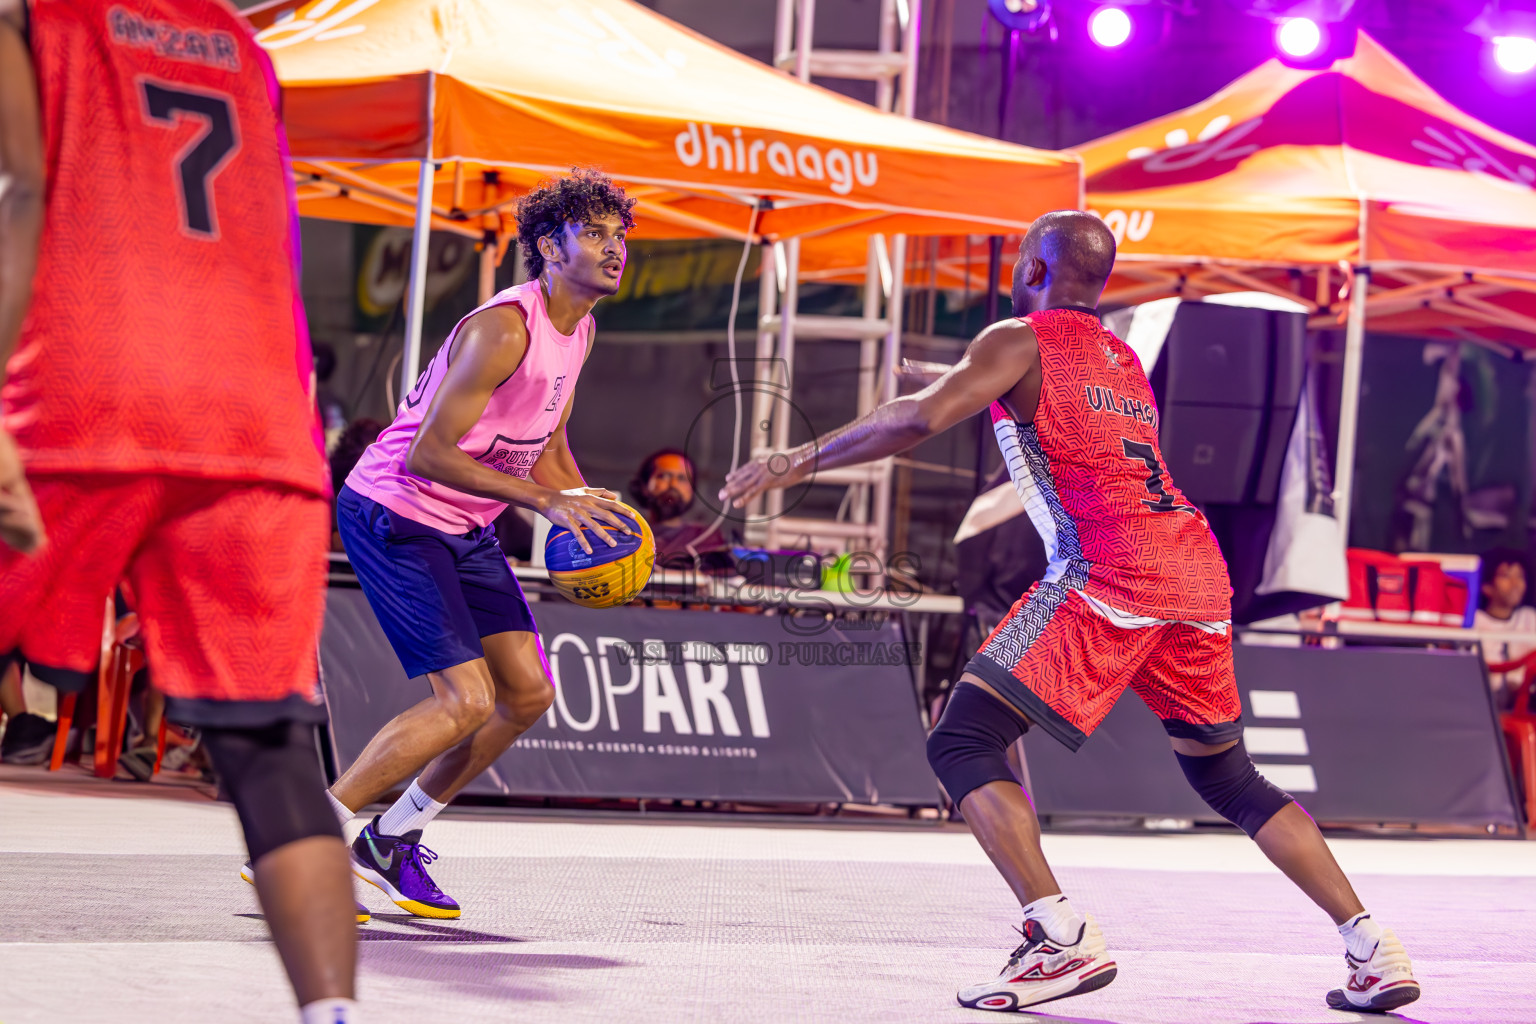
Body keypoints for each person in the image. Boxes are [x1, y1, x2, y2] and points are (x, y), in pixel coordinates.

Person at [720, 211, 1420, 1015]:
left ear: (1031, 267)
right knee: (1229, 777)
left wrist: (794, 459)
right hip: (1195, 572)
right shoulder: (1122, 358)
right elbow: (1049, 397)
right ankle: (1372, 946)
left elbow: (918, 419)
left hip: (1108, 572)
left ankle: (1057, 936)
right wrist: (963, 371)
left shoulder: (1014, 338)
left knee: (962, 739)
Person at [0, 2, 358, 1021]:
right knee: (271, 749)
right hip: (254, 418)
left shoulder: (38, 18)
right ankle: (330, 1010)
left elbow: (18, 192)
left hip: (86, 382)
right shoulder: (244, 48)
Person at [302, 169, 636, 919]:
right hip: (398, 510)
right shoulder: (503, 328)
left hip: (465, 521)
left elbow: (543, 447)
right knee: (465, 699)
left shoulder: (579, 326)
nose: (615, 249)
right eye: (595, 234)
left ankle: (391, 840)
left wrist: (581, 504)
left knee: (526, 694)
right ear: (549, 247)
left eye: (621, 235)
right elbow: (428, 453)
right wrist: (546, 502)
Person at [1473, 547, 1536, 710]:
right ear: (1486, 586)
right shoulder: (1474, 622)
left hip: (1524, 706)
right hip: (1478, 705)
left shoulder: (1530, 618)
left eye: (1520, 576)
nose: (1515, 584)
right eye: (1506, 576)